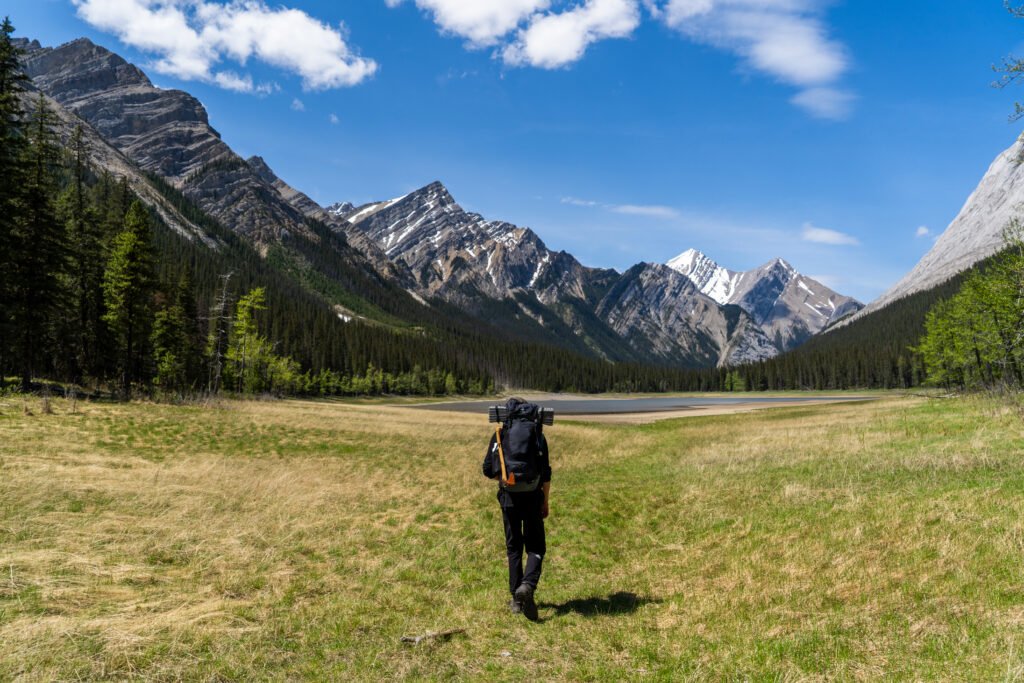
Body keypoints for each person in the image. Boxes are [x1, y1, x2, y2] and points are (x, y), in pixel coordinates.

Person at [482, 398, 551, 621]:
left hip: (508, 498)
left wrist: (506, 480)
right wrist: (545, 501)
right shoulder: (538, 436)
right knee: (536, 546)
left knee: (514, 547)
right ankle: (528, 586)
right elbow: (545, 474)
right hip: (532, 497)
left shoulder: (500, 435)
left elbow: (487, 470)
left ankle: (515, 598)